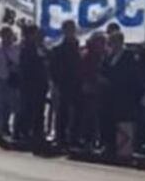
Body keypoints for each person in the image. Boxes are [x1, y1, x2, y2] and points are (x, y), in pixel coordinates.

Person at [99, 32, 142, 161]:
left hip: (122, 96)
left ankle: (121, 148)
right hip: (108, 96)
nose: (111, 45)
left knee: (121, 122)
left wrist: (112, 80)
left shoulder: (128, 57)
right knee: (107, 122)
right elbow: (104, 70)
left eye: (114, 42)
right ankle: (108, 145)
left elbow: (130, 76)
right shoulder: (109, 56)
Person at [49, 20, 82, 149]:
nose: (70, 32)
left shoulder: (78, 47)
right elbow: (54, 69)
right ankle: (60, 137)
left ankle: (73, 138)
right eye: (68, 29)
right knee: (62, 112)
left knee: (76, 113)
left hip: (76, 84)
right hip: (63, 84)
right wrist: (57, 83)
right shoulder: (58, 49)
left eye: (72, 29)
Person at [17, 25, 49, 152]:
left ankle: (37, 134)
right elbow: (26, 67)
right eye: (37, 34)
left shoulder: (42, 49)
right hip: (30, 85)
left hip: (41, 85)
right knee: (27, 109)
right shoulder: (27, 48)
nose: (40, 37)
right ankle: (22, 133)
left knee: (39, 111)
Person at [78, 32, 107, 151]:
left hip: (101, 90)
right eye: (99, 42)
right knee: (89, 116)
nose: (101, 45)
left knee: (98, 117)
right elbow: (84, 72)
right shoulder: (88, 55)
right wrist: (93, 79)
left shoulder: (104, 55)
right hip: (90, 89)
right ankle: (87, 140)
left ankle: (97, 140)